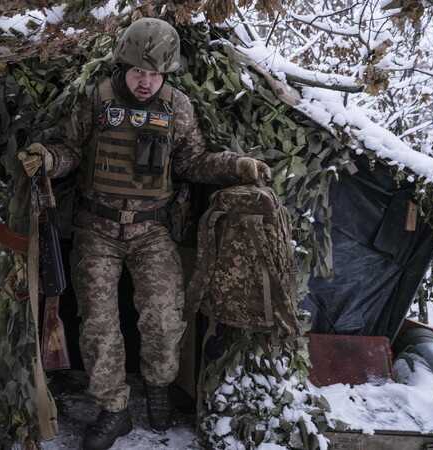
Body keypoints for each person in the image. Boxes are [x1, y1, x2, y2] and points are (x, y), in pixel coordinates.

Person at [18, 17, 269, 450]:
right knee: (98, 324)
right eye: (139, 72)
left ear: (165, 73)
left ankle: (158, 388)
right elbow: (70, 151)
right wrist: (46, 159)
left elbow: (193, 162)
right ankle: (114, 409)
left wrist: (236, 166)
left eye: (154, 74)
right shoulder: (95, 100)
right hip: (96, 228)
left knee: (164, 316)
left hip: (152, 230)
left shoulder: (178, 107)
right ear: (123, 66)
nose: (146, 81)